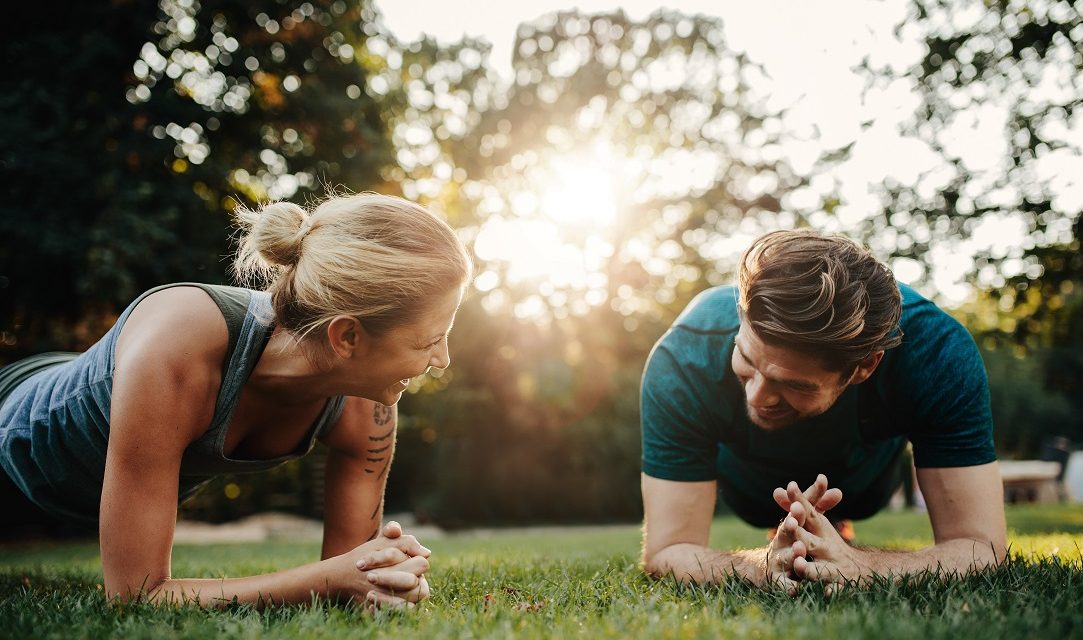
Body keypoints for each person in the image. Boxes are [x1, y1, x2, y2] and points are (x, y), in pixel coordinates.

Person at [0, 193, 472, 608]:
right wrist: (330, 579)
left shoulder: (369, 407)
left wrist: (383, 578)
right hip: (16, 430)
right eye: (427, 341)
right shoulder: (177, 349)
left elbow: (355, 577)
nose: (443, 360)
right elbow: (135, 595)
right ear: (347, 335)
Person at [639, 229, 1006, 592]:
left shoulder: (937, 354)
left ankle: (836, 523)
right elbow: (667, 551)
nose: (756, 396)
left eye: (794, 384)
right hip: (749, 488)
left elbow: (982, 547)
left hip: (864, 484)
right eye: (746, 358)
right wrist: (760, 567)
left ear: (865, 366)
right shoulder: (683, 358)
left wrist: (862, 565)